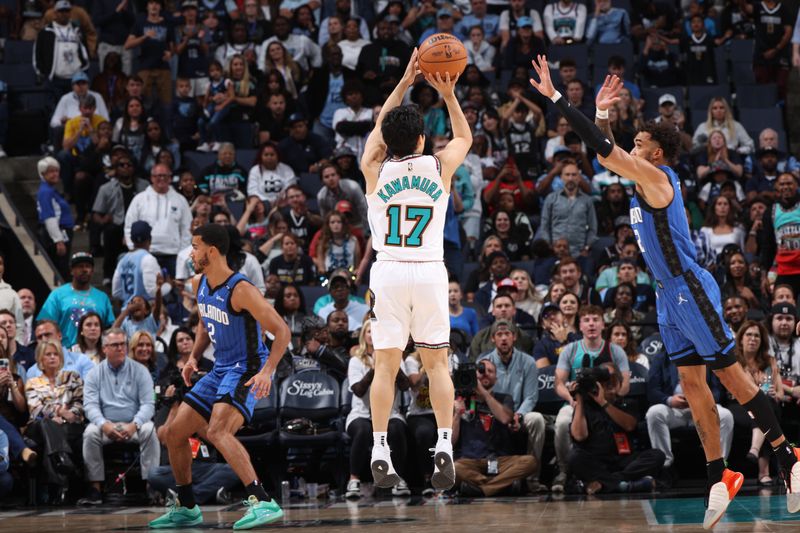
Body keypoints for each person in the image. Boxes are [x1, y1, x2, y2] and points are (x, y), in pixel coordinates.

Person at [528, 56, 799, 526]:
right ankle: (721, 475)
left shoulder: (657, 179)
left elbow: (603, 147)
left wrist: (558, 99)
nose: (630, 148)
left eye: (639, 143)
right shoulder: (640, 180)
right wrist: (602, 114)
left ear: (655, 154)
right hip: (666, 295)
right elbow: (603, 149)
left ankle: (789, 457)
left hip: (691, 288)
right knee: (693, 387)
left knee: (733, 380)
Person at [360, 49, 471, 492]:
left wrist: (405, 80)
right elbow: (463, 136)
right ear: (423, 141)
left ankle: (379, 447)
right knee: (437, 363)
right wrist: (448, 94)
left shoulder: (373, 168)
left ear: (389, 142)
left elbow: (378, 130)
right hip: (428, 270)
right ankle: (444, 442)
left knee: (385, 366)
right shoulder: (439, 166)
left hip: (387, 271)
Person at [148, 224, 289, 529]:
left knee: (218, 431)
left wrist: (267, 371)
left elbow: (282, 331)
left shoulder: (242, 290)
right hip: (220, 367)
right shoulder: (201, 282)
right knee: (174, 433)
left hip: (248, 368)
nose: (191, 252)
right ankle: (186, 506)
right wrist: (194, 357)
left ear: (211, 251)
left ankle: (263, 500)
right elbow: (204, 321)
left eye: (195, 246)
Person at [79, 328, 159, 505]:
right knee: (90, 433)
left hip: (134, 425)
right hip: (106, 425)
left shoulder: (140, 371)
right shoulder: (94, 373)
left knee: (149, 430)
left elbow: (148, 404)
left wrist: (135, 424)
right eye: (115, 345)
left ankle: (152, 485)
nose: (120, 348)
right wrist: (103, 425)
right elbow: (90, 406)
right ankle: (95, 489)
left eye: (123, 344)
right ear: (105, 348)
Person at [568, 362, 664, 494]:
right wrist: (579, 400)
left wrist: (603, 402)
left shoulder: (628, 403)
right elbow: (579, 436)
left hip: (625, 460)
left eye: (613, 378)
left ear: (620, 381)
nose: (609, 382)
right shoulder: (586, 406)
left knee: (657, 456)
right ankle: (626, 485)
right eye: (604, 380)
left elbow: (630, 426)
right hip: (597, 462)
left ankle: (606, 483)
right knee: (575, 457)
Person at [478, 319, 546, 492]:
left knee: (537, 419)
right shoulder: (484, 362)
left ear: (514, 337)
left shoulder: (528, 361)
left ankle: (532, 480)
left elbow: (531, 397)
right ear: (493, 338)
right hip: (494, 413)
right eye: (499, 334)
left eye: (507, 334)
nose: (503, 338)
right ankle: (490, 477)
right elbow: (482, 395)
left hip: (519, 414)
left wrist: (519, 415)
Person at [452, 358, 537, 496]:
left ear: (496, 379)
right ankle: (501, 486)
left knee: (530, 462)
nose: (485, 373)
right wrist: (457, 414)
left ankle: (481, 489)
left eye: (490, 371)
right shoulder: (460, 400)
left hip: (501, 461)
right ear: (474, 376)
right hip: (472, 461)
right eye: (480, 371)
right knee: (451, 468)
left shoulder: (504, 399)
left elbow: (505, 418)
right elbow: (450, 441)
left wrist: (483, 393)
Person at [345, 319, 410, 499]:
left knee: (397, 429)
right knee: (363, 430)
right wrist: (376, 368)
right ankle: (354, 480)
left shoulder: (396, 357)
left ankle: (398, 479)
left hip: (390, 414)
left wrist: (392, 363)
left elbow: (405, 386)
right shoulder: (356, 361)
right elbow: (358, 390)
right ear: (364, 336)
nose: (374, 335)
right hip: (362, 413)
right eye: (369, 332)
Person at [645, 350, 733, 474]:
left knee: (725, 416)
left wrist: (701, 400)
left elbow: (717, 391)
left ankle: (719, 465)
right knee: (654, 413)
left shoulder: (706, 354)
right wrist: (670, 400)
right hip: (674, 409)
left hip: (703, 407)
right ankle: (664, 465)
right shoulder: (662, 357)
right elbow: (652, 390)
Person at [24, 340, 85, 499]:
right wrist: (58, 412)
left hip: (69, 425)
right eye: (48, 354)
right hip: (38, 427)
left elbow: (79, 403)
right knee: (45, 423)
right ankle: (63, 459)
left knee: (53, 427)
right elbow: (36, 408)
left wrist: (65, 418)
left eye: (55, 354)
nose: (52, 357)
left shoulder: (72, 377)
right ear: (40, 359)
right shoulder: (32, 383)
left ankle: (58, 475)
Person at [734, 320, 784, 485]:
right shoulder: (734, 362)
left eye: (757, 335)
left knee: (767, 405)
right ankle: (764, 472)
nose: (753, 339)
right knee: (764, 410)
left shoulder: (769, 361)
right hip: (738, 406)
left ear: (762, 340)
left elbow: (781, 393)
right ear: (741, 338)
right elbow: (740, 391)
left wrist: (775, 393)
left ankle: (755, 451)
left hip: (763, 406)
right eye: (748, 335)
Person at [124, 164, 193, 277]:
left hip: (173, 255)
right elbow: (129, 226)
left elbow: (187, 229)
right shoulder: (139, 199)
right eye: (158, 176)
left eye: (165, 176)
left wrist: (182, 254)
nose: (161, 179)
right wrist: (134, 250)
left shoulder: (180, 200)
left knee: (175, 292)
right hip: (145, 254)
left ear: (170, 178)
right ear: (152, 178)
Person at [37, 252, 115, 348]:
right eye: (80, 266)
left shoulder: (102, 297)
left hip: (95, 353)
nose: (84, 270)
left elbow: (110, 328)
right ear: (71, 271)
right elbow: (45, 324)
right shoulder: (57, 295)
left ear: (92, 270)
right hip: (65, 352)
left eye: (88, 266)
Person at [36, 157, 74, 278]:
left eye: (57, 170)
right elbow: (49, 217)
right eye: (51, 171)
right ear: (42, 174)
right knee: (61, 268)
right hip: (57, 234)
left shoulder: (50, 190)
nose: (55, 174)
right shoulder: (46, 192)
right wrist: (58, 240)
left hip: (62, 232)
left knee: (63, 266)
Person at [112, 221, 161, 305]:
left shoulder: (123, 259)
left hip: (127, 313)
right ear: (150, 238)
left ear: (131, 239)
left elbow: (116, 292)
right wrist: (169, 285)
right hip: (145, 314)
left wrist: (129, 299)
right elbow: (153, 292)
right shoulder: (148, 259)